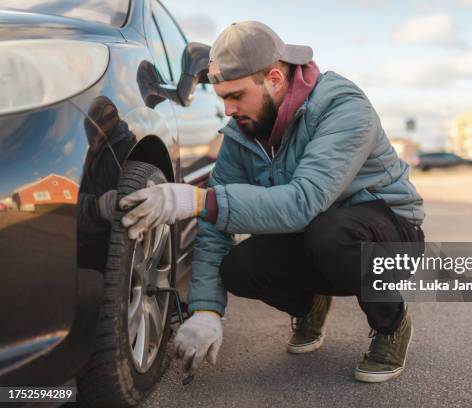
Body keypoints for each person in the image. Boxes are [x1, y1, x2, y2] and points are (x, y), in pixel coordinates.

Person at [113, 21, 425, 383]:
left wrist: (200, 199)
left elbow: (304, 201)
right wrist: (205, 311)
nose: (228, 110)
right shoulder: (243, 133)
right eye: (223, 98)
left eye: (236, 96)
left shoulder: (343, 108)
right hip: (315, 229)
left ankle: (392, 323)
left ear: (275, 78)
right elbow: (214, 225)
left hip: (388, 230)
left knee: (332, 236)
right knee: (239, 266)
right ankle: (310, 304)